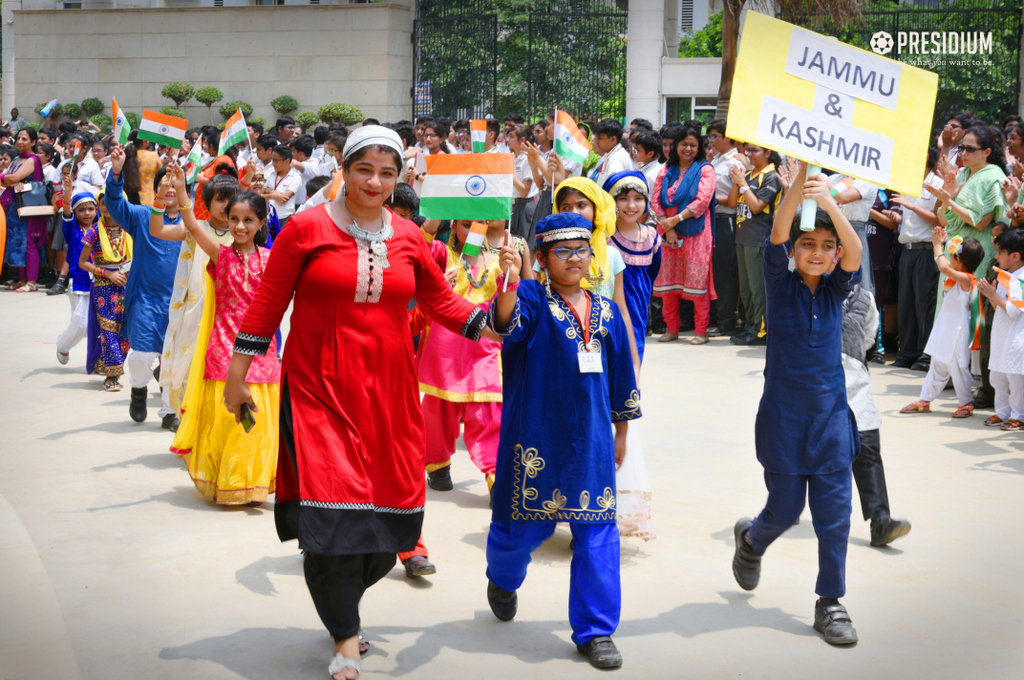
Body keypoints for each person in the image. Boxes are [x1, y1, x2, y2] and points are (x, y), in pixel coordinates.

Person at [221, 126, 487, 680]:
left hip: (388, 395)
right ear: (344, 166)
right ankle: (345, 636)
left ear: (400, 178)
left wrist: (508, 308)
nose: (375, 182)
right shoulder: (305, 228)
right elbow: (267, 305)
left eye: (388, 173)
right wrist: (236, 376)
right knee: (336, 520)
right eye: (365, 169)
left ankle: (328, 579)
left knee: (387, 537)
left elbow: (445, 304)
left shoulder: (409, 236)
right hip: (319, 388)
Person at [484, 212, 640, 670]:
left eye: (582, 250)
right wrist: (512, 280)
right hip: (534, 436)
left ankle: (596, 631)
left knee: (597, 534)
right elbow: (509, 322)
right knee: (522, 531)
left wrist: (622, 430)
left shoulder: (607, 310)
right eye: (563, 252)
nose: (575, 259)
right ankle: (503, 579)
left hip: (590, 441)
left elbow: (621, 375)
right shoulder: (532, 297)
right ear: (544, 258)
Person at [731, 160, 863, 646]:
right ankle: (751, 540)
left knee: (834, 516)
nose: (818, 252)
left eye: (826, 247)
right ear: (795, 251)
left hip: (830, 421)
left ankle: (831, 601)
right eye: (809, 243)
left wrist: (826, 199)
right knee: (784, 511)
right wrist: (799, 178)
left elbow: (855, 251)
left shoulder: (836, 290)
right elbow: (779, 232)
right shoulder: (780, 284)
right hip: (784, 419)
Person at [171, 177, 280, 505]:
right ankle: (231, 483)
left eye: (248, 220)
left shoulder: (272, 259)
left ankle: (253, 484)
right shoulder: (220, 254)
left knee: (258, 424)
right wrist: (179, 191)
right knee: (229, 423)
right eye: (234, 219)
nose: (240, 226)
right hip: (223, 351)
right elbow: (191, 223)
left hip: (262, 352)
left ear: (262, 222)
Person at [152, 173, 242, 416]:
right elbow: (157, 229)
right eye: (220, 199)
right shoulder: (196, 229)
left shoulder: (244, 234)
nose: (226, 205)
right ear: (208, 202)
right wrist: (162, 195)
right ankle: (190, 426)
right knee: (192, 368)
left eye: (232, 199)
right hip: (196, 311)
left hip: (231, 314)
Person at [106, 144, 182, 429]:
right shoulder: (141, 216)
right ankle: (138, 388)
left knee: (174, 359)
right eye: (166, 182)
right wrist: (116, 171)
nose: (171, 188)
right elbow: (115, 205)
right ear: (158, 187)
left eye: (176, 183)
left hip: (180, 301)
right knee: (143, 354)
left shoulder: (192, 223)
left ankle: (169, 413)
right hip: (145, 297)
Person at [603, 171, 660, 541]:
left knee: (628, 382)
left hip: (637, 316)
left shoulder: (652, 237)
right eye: (623, 198)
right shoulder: (605, 241)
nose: (630, 205)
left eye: (637, 198)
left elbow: (651, 275)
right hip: (612, 310)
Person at [840, 266, 912, 546]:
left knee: (868, 447)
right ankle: (786, 506)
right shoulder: (807, 293)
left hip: (855, 381)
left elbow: (869, 337)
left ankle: (880, 521)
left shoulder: (864, 300)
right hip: (814, 383)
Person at [553, 177, 641, 373]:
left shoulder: (612, 256)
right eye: (565, 207)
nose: (573, 213)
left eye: (581, 205)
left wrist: (634, 363)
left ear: (596, 209)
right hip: (558, 347)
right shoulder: (548, 256)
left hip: (603, 346)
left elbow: (621, 311)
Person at [900, 229, 984, 417]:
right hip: (944, 329)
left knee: (959, 368)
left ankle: (964, 403)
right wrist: (941, 243)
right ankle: (925, 400)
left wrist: (937, 244)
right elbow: (944, 263)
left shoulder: (967, 279)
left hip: (957, 332)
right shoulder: (956, 272)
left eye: (953, 256)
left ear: (960, 262)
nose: (949, 259)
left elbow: (943, 267)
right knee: (936, 366)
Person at [651, 125, 717, 345]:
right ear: (675, 146)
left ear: (699, 147)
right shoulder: (665, 170)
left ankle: (701, 331)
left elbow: (702, 201)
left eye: (692, 145)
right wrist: (668, 227)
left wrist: (676, 220)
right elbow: (655, 202)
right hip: (667, 234)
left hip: (696, 234)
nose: (687, 148)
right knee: (668, 283)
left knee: (697, 283)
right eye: (683, 144)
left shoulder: (705, 169)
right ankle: (672, 329)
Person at [891, 148, 943, 369]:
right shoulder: (909, 183)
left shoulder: (937, 184)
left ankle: (925, 354)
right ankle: (907, 352)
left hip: (926, 249)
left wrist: (911, 205)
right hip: (907, 249)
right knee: (906, 304)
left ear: (925, 158)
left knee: (925, 303)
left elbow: (937, 219)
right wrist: (899, 216)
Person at [727, 144, 782, 345]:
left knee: (758, 288)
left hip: (759, 239)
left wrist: (742, 183)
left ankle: (761, 331)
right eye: (747, 150)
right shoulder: (748, 174)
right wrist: (737, 182)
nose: (748, 155)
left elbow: (757, 206)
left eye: (754, 151)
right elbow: (733, 204)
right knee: (747, 289)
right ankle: (750, 325)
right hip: (742, 238)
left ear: (768, 153)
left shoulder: (771, 176)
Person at [78, 189, 133, 391]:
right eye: (104, 203)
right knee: (108, 328)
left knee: (125, 330)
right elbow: (83, 262)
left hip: (128, 283)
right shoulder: (94, 231)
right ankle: (112, 376)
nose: (108, 207)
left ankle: (107, 363)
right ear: (99, 206)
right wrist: (108, 274)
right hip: (104, 286)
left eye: (113, 202)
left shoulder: (130, 228)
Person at [978, 228, 1024, 430]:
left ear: (1015, 256)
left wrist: (992, 295)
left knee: (1015, 377)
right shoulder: (1005, 275)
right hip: (1001, 331)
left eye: (999, 253)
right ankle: (1003, 411)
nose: (995, 257)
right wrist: (992, 295)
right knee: (998, 375)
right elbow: (999, 307)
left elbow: (1013, 310)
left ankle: (1018, 415)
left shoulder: (1020, 280)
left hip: (1017, 334)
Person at [706, 120, 744, 336]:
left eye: (714, 136)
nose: (711, 141)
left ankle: (725, 321)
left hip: (727, 220)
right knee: (714, 272)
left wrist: (709, 199)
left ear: (727, 137)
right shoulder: (716, 159)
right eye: (710, 137)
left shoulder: (736, 162)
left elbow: (736, 198)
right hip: (713, 219)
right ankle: (716, 317)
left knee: (725, 274)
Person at [2, 127, 49, 292]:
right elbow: (7, 180)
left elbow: (12, 178)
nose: (20, 142)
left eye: (24, 139)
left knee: (29, 244)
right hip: (14, 207)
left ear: (33, 142)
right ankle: (23, 279)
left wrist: (8, 179)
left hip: (27, 207)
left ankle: (32, 281)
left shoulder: (32, 160)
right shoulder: (16, 159)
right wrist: (8, 180)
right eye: (18, 138)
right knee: (18, 243)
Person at [54, 181, 96, 367]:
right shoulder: (71, 230)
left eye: (90, 209)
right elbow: (67, 213)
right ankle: (62, 344)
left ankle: (99, 361)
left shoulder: (100, 228)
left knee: (97, 324)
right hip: (78, 281)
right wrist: (68, 192)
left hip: (100, 280)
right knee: (80, 323)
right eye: (82, 210)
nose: (86, 213)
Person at [507, 124, 538, 243]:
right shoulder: (512, 157)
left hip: (524, 207)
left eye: (511, 136)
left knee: (524, 246)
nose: (507, 140)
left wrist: (509, 173)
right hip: (513, 206)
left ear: (522, 140)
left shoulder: (527, 158)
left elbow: (525, 191)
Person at [260, 145, 301, 228]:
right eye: (272, 160)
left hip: (284, 218)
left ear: (286, 161)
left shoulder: (295, 177)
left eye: (276, 160)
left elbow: (283, 199)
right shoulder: (271, 174)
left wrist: (268, 191)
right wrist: (272, 194)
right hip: (268, 216)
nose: (273, 163)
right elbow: (261, 192)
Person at [588, 118, 633, 189]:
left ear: (613, 139)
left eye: (600, 138)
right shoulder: (612, 155)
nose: (596, 142)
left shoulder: (616, 159)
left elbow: (614, 189)